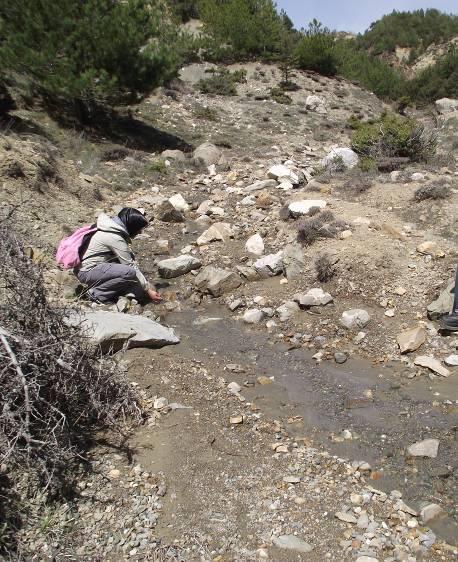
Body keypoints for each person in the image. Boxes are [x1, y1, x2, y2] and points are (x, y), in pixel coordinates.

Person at [76, 207, 162, 304]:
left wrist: (144, 283)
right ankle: (96, 294)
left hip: (88, 268)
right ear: (132, 226)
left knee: (129, 268)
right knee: (129, 272)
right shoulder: (114, 237)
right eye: (138, 229)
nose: (140, 232)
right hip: (87, 272)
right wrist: (148, 289)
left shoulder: (109, 227)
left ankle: (110, 290)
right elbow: (130, 265)